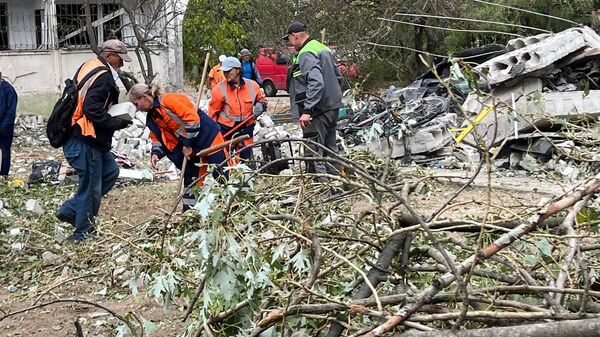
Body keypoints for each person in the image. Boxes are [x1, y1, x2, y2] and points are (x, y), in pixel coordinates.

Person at [56, 39, 133, 243]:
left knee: (110, 172)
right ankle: (82, 234)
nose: (121, 64)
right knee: (91, 188)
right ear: (108, 56)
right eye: (119, 59)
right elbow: (92, 109)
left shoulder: (89, 65)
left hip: (85, 136)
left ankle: (70, 210)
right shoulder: (104, 77)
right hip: (85, 137)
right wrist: (117, 123)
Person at [128, 83, 231, 211]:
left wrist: (187, 144)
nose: (137, 109)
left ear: (144, 97)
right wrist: (156, 153)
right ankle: (190, 213)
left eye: (136, 104)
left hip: (208, 138)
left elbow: (193, 121)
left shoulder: (169, 100)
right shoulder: (152, 117)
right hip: (190, 148)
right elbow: (158, 137)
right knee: (192, 180)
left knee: (221, 172)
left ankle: (235, 202)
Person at [284, 21, 342, 178]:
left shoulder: (306, 53)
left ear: (294, 36)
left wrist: (308, 109)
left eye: (289, 39)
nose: (290, 44)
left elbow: (316, 82)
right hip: (331, 108)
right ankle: (337, 185)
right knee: (331, 150)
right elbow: (338, 77)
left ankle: (322, 189)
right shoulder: (322, 48)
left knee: (315, 152)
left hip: (317, 112)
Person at [208, 57, 267, 163]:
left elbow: (262, 100)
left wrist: (260, 105)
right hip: (227, 129)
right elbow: (212, 112)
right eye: (224, 71)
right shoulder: (219, 89)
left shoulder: (252, 86)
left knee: (245, 158)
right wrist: (214, 131)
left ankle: (244, 175)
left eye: (229, 71)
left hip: (246, 127)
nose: (226, 74)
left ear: (238, 70)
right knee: (224, 160)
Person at [0, 67, 18, 176]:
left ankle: (3, 176)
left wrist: (3, 127)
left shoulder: (9, 90)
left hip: (4, 129)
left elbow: (11, 112)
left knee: (5, 152)